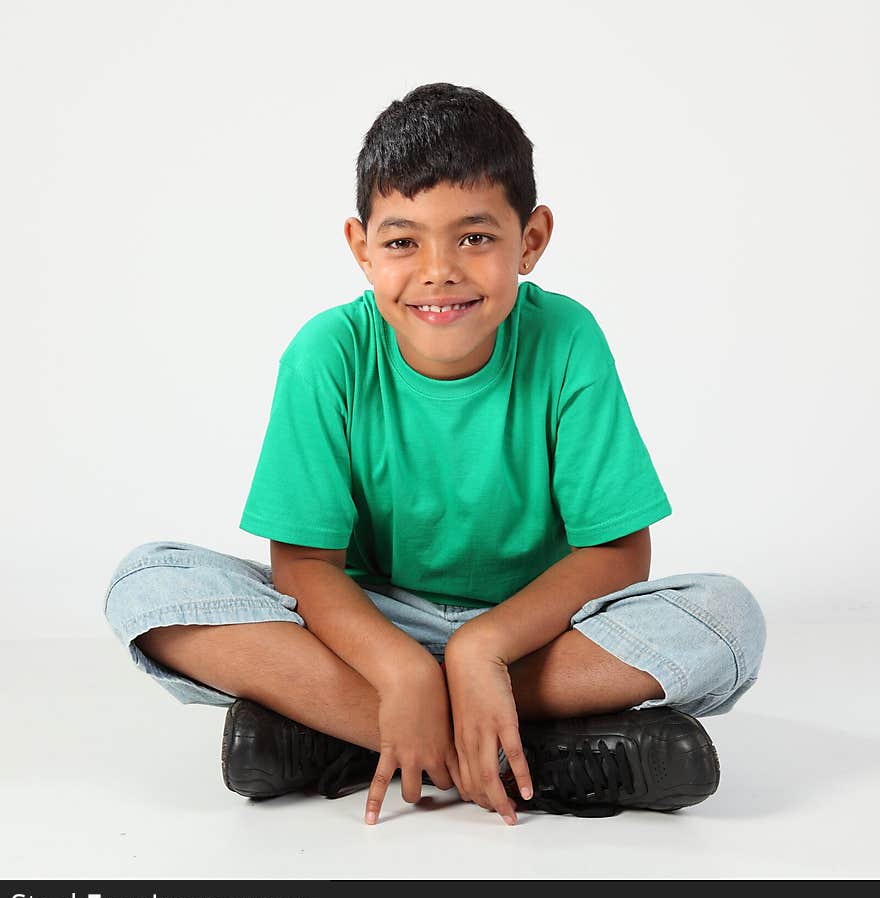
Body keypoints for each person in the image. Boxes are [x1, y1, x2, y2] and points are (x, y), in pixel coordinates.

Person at [103, 82, 766, 826]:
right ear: (362, 248)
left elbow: (616, 552)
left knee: (728, 618)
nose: (437, 270)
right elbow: (306, 568)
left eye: (475, 238)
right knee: (146, 584)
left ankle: (353, 735)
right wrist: (398, 666)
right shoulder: (327, 355)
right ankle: (510, 750)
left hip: (536, 638)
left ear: (532, 241)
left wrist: (481, 647)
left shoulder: (567, 340)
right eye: (401, 241)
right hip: (372, 627)